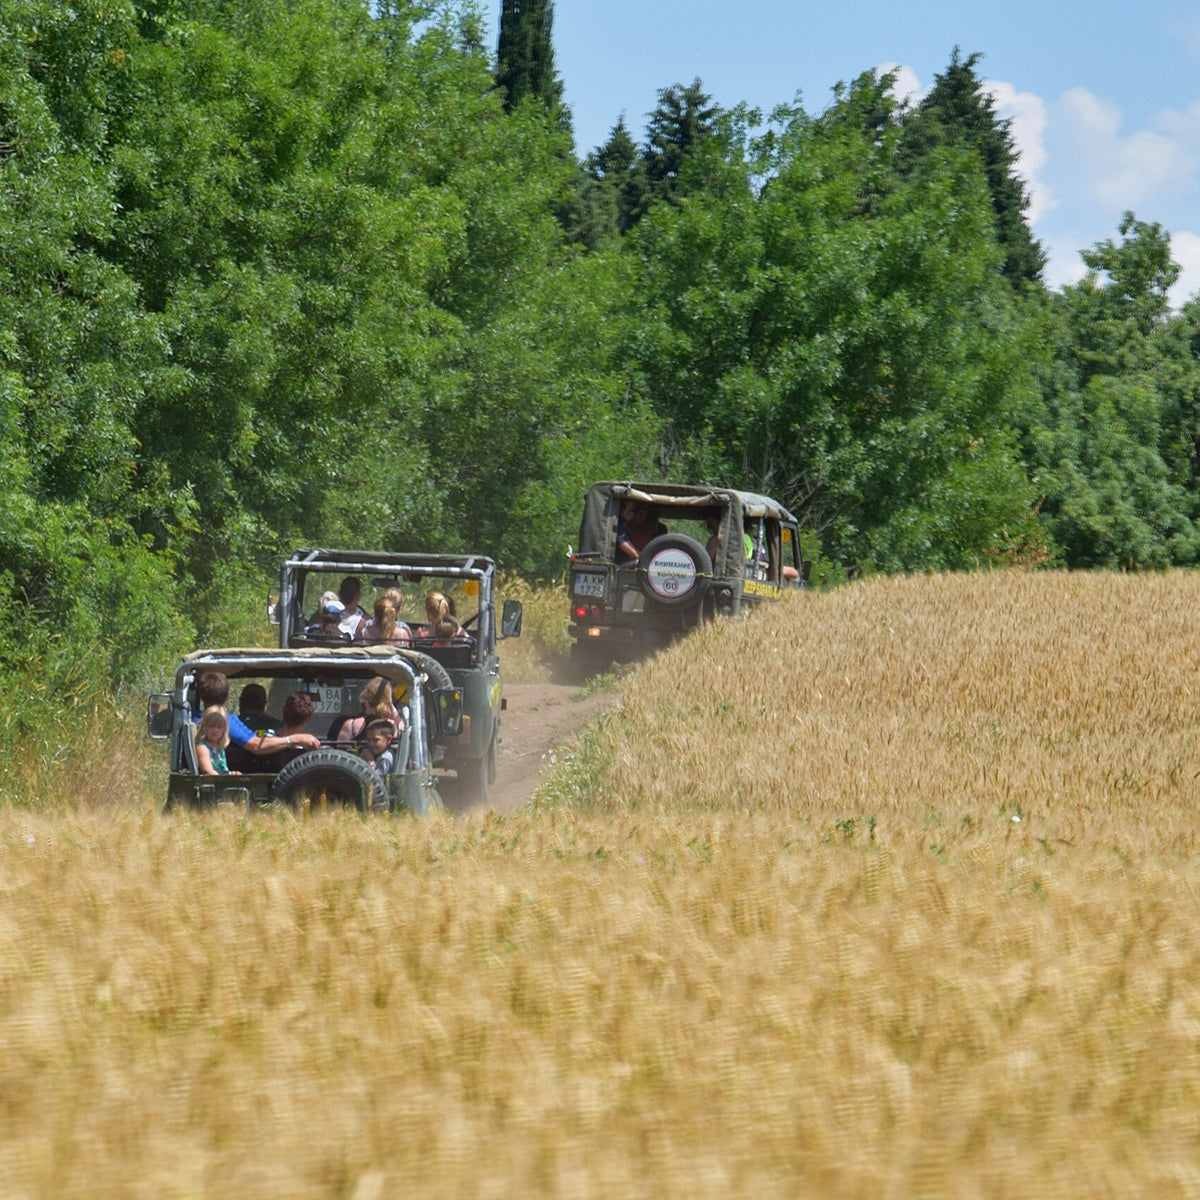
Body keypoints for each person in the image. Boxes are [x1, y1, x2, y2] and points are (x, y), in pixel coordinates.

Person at [194, 672, 320, 762]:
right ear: (228, 696)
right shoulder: (225, 720)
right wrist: (296, 739)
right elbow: (257, 746)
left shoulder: (192, 718)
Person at [336, 677, 402, 745]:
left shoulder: (352, 725)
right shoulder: (393, 726)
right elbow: (403, 730)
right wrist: (390, 705)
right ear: (389, 699)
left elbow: (340, 751)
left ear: (365, 697)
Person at [615, 498, 667, 565]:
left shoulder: (658, 529)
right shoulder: (618, 525)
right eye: (625, 507)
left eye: (632, 510)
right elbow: (634, 553)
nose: (627, 512)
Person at [195, 708, 240, 776]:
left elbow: (223, 771)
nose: (215, 730)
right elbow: (208, 771)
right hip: (211, 783)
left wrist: (231, 774)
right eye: (211, 726)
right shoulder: (202, 748)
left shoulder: (220, 747)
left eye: (219, 727)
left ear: (224, 729)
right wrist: (225, 780)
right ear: (204, 727)